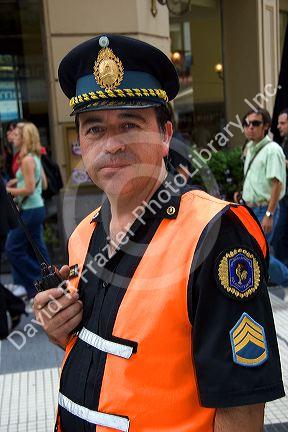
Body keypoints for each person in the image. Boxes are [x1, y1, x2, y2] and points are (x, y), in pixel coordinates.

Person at [34, 35, 284, 432]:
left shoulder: (214, 234)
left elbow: (242, 405)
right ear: (80, 143)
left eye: (129, 125)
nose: (111, 145)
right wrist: (57, 327)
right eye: (95, 129)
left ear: (165, 135)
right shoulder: (83, 234)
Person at [238, 109, 288, 289]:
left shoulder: (272, 150)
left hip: (264, 209)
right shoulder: (251, 147)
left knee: (260, 252)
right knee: (256, 251)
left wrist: (269, 213)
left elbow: (277, 184)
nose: (250, 127)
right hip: (250, 209)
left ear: (266, 126)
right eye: (246, 124)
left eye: (256, 123)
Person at [5, 122, 50, 306]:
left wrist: (8, 191)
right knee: (38, 250)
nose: (15, 137)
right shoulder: (34, 157)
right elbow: (43, 184)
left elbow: (30, 188)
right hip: (36, 208)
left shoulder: (26, 160)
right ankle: (51, 282)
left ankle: (39, 282)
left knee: (13, 248)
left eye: (18, 134)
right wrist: (19, 180)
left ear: (25, 137)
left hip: (30, 210)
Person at [273, 108, 288, 264]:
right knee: (280, 236)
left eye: (282, 123)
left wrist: (281, 162)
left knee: (279, 235)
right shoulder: (283, 142)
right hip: (284, 198)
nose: (278, 126)